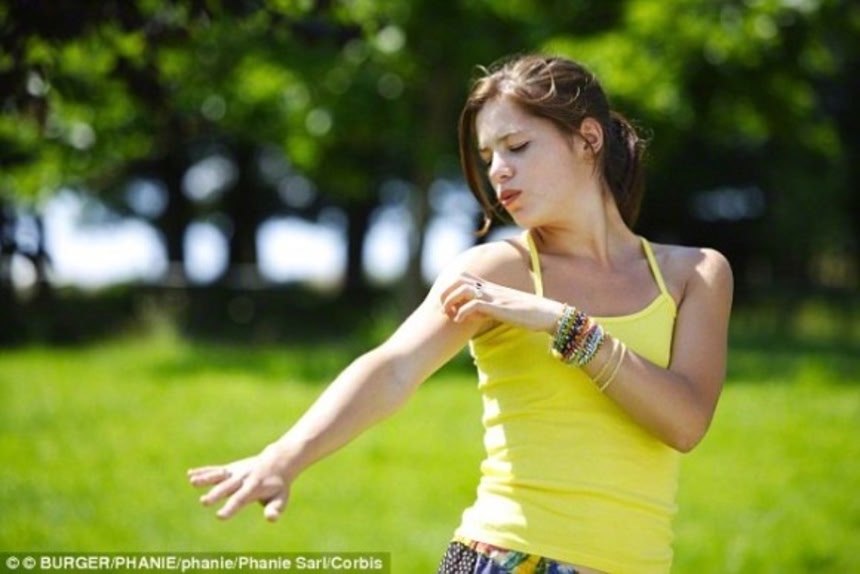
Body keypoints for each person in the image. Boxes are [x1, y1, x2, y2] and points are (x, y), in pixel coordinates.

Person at [188, 53, 733, 574]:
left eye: (517, 146)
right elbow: (394, 367)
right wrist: (285, 456)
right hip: (506, 559)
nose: (499, 171)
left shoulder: (696, 274)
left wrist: (564, 325)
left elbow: (684, 423)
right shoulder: (497, 271)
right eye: (488, 156)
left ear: (588, 139)